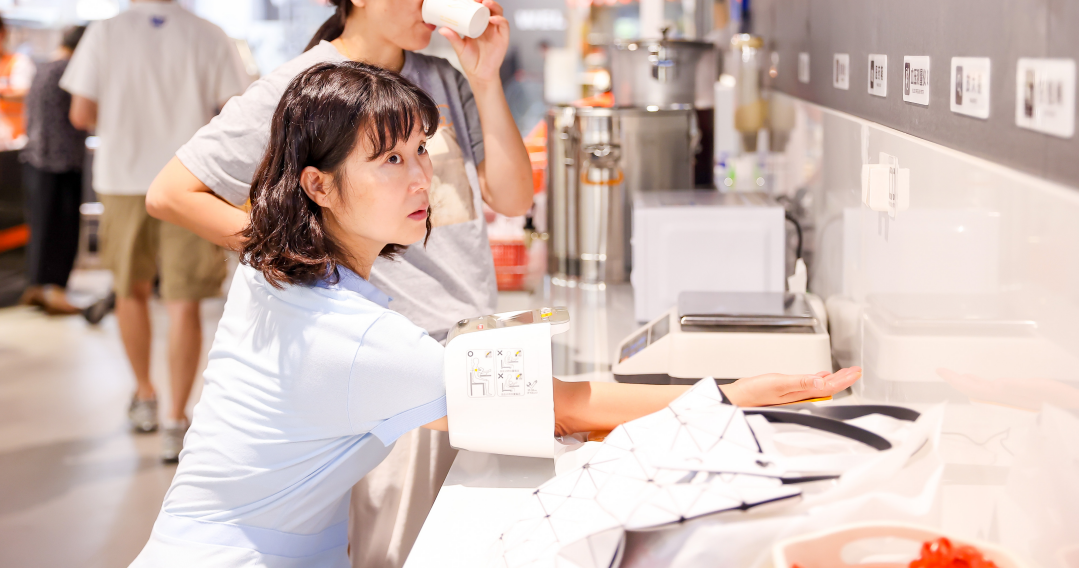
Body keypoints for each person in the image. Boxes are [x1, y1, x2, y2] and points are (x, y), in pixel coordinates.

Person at [131, 61, 861, 567]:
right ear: (318, 185)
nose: (422, 178)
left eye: (421, 151)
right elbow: (562, 406)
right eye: (390, 161)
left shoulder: (273, 273)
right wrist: (732, 395)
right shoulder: (350, 337)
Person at [145, 0, 533, 567]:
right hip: (386, 367)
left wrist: (486, 78)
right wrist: (302, 256)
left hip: (465, 344)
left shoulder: (444, 77)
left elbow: (511, 195)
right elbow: (171, 193)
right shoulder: (305, 87)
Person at [62, 0, 248, 462]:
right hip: (191, 181)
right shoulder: (210, 34)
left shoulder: (105, 32)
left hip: (124, 180)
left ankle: (144, 394)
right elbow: (234, 113)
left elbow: (80, 114)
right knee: (185, 301)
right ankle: (175, 419)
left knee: (132, 291)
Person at [19, 24, 87, 315]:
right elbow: (82, 116)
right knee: (62, 228)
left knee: (42, 226)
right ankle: (54, 291)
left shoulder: (44, 66)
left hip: (37, 158)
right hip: (61, 161)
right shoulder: (69, 69)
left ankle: (38, 286)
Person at [0, 13, 37, 145]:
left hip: (13, 141)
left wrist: (2, 94)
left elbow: (26, 92)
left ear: (3, 33)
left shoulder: (19, 62)